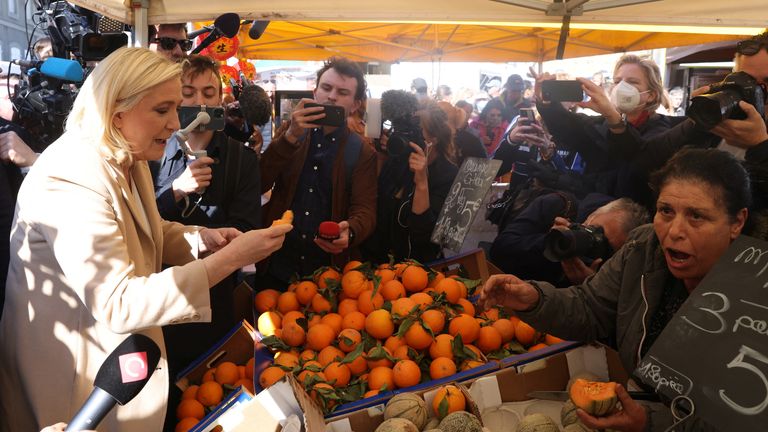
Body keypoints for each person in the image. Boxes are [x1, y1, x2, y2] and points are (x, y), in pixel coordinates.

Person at [0, 47, 291, 432]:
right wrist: (230, 259)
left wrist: (202, 239)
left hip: (111, 366)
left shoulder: (125, 156)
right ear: (116, 112)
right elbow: (118, 301)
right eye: (162, 109)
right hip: (74, 387)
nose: (175, 123)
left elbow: (147, 228)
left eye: (175, 107)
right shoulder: (71, 176)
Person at [479, 148, 750, 431]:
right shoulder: (643, 248)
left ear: (737, 222)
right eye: (666, 211)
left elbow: (741, 419)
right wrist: (533, 299)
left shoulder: (755, 293)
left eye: (696, 216)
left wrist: (650, 422)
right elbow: (589, 307)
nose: (674, 231)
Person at [149, 55, 262, 397]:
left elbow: (244, 229)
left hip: (214, 305)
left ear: (221, 100)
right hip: (156, 300)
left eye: (208, 93)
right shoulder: (152, 154)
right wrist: (176, 191)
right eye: (189, 92)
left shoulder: (242, 159)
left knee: (207, 396)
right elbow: (138, 223)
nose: (199, 102)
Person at [259, 56, 377, 285]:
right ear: (315, 92)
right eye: (326, 87)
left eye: (343, 92)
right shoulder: (291, 131)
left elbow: (366, 210)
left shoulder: (361, 150)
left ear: (355, 105)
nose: (332, 96)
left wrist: (350, 231)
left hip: (328, 273)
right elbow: (260, 181)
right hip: (276, 261)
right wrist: (290, 137)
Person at [532, 54, 687, 207]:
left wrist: (612, 116)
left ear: (651, 95)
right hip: (592, 212)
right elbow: (568, 126)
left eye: (632, 82)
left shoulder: (662, 131)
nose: (621, 87)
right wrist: (546, 102)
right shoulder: (602, 124)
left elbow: (638, 158)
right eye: (617, 81)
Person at [365, 105, 460, 263]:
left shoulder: (448, 175)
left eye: (414, 129)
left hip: (416, 268)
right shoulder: (397, 162)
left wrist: (421, 182)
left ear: (434, 139)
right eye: (403, 129)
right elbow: (376, 204)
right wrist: (382, 155)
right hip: (379, 260)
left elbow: (428, 235)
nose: (405, 135)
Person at [490, 195, 648, 286]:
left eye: (605, 247)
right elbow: (499, 250)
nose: (594, 243)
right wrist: (550, 243)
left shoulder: (604, 272)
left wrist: (589, 288)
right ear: (592, 216)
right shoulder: (555, 206)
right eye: (594, 231)